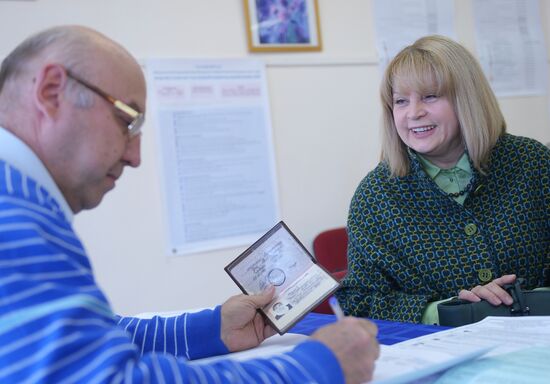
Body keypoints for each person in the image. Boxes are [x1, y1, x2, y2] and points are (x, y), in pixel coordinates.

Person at [0, 25, 379, 383]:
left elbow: (91, 339)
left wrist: (211, 330)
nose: (135, 156)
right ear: (51, 92)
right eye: (127, 120)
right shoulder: (15, 217)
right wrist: (315, 367)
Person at [336, 35, 550, 324]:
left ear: (468, 99)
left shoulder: (533, 163)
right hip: (435, 357)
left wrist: (528, 301)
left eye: (430, 96)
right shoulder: (376, 196)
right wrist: (447, 310)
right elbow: (359, 301)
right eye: (401, 101)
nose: (414, 113)